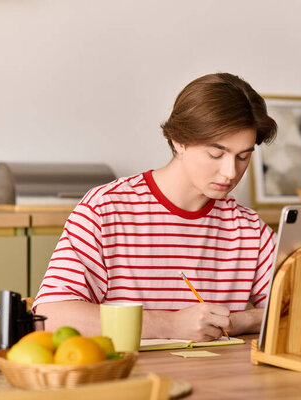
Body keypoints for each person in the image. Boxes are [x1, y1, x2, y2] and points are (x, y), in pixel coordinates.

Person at [33, 72, 278, 342]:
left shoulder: (248, 229)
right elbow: (52, 316)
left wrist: (240, 320)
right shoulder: (105, 209)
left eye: (243, 157)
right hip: (129, 379)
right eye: (216, 154)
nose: (231, 172)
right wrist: (170, 325)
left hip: (218, 381)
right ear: (179, 141)